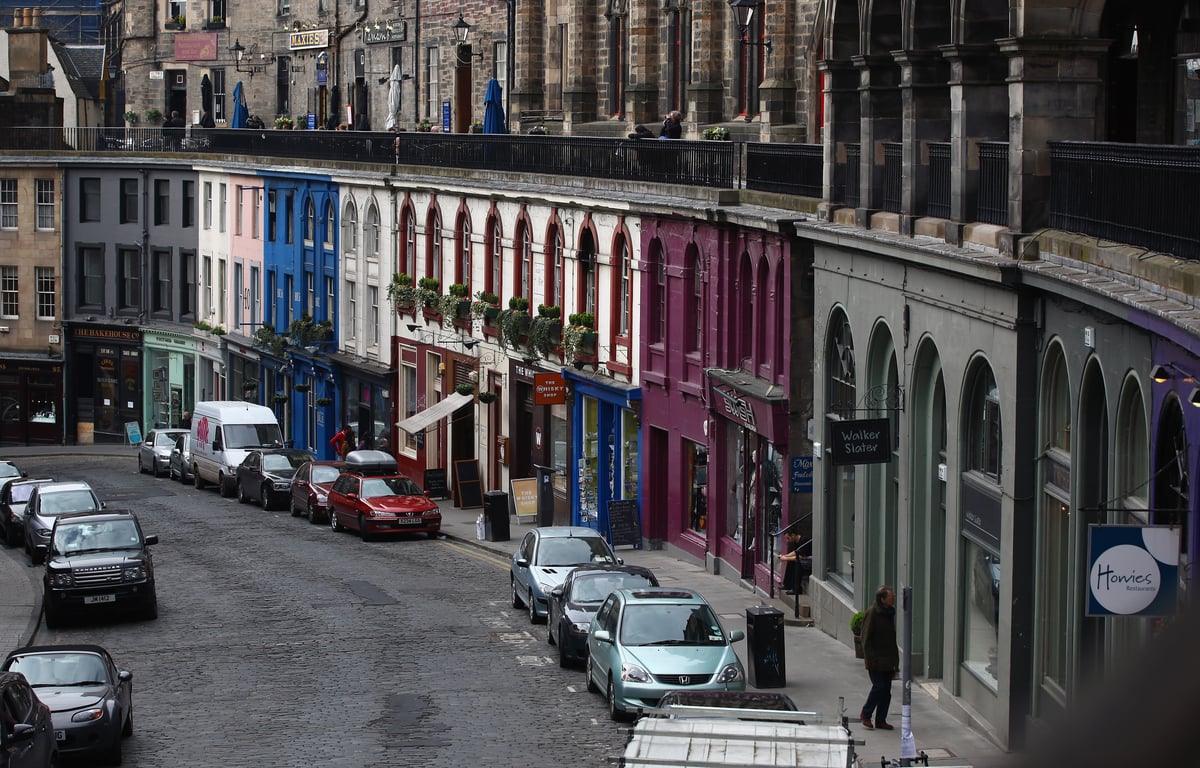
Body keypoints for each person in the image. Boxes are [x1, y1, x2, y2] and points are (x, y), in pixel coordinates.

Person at [859, 585, 899, 731]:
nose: (894, 598)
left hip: (888, 661)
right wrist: (870, 659)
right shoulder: (872, 613)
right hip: (875, 660)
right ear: (883, 599)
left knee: (886, 692)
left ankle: (881, 720)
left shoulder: (889, 613)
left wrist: (895, 664)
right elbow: (865, 638)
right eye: (891, 597)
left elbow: (891, 640)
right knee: (879, 687)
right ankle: (866, 714)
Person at [778, 531, 811, 595]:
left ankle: (796, 589)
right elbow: (795, 552)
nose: (787, 540)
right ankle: (787, 585)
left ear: (793, 535)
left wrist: (785, 558)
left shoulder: (804, 541)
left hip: (810, 560)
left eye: (788, 538)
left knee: (797, 564)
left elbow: (800, 557)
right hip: (804, 558)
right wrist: (785, 556)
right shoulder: (796, 541)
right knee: (791, 562)